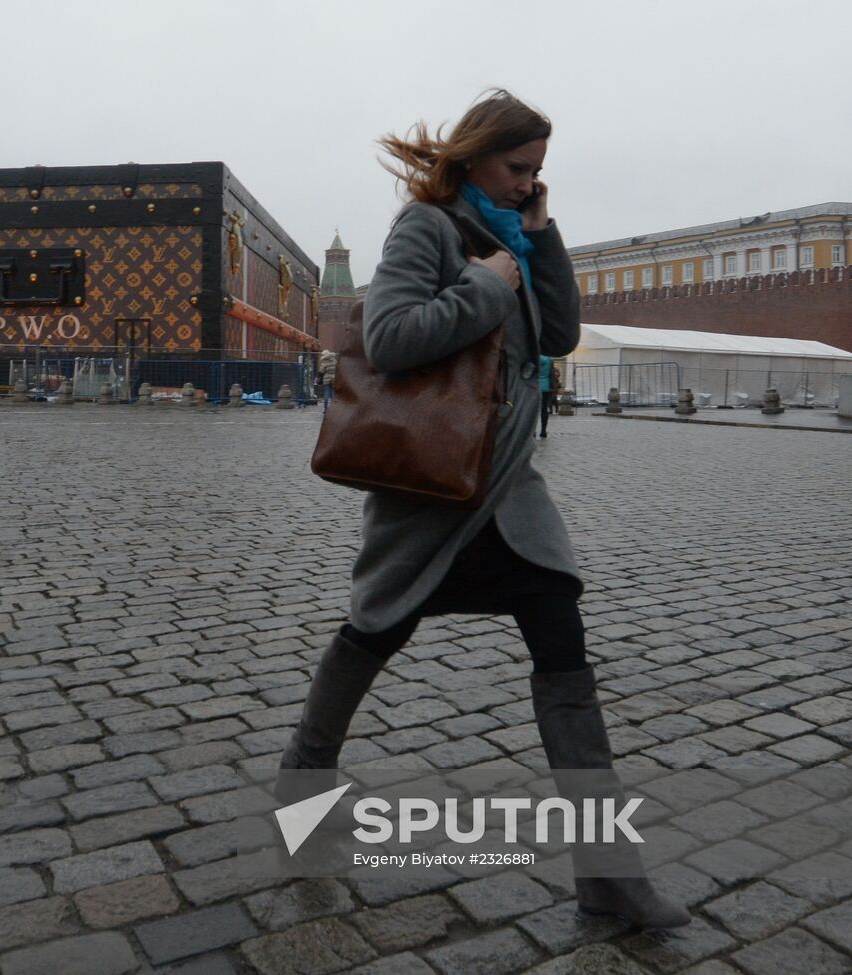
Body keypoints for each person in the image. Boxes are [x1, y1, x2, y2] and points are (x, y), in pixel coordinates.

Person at [279, 90, 689, 928]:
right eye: (516, 169)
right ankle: (302, 790)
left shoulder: (516, 237)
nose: (526, 183)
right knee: (373, 631)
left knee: (561, 634)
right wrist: (486, 282)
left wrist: (540, 238)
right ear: (472, 160)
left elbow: (563, 335)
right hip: (430, 489)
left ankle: (607, 874)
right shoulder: (425, 230)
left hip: (508, 490)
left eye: (538, 172)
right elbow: (390, 338)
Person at [539, 354, 555, 437]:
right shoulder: (549, 359)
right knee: (544, 409)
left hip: (535, 387)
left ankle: (532, 431)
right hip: (546, 387)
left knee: (533, 410)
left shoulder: (534, 357)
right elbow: (552, 374)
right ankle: (543, 430)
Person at [318, 348, 337, 413]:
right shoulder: (334, 361)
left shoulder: (324, 362)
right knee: (333, 394)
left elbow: (321, 372)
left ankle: (326, 409)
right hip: (334, 379)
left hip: (326, 380)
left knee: (326, 394)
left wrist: (318, 379)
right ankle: (334, 408)